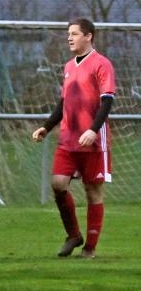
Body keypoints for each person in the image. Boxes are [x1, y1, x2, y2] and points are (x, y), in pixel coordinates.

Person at [32, 17, 115, 259]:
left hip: (93, 141)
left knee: (93, 192)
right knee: (58, 184)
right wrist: (47, 127)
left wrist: (93, 129)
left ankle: (89, 248)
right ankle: (73, 235)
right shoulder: (69, 66)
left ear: (88, 36)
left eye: (75, 33)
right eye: (69, 33)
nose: (69, 37)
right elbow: (64, 102)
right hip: (68, 138)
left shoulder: (102, 64)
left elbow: (107, 100)